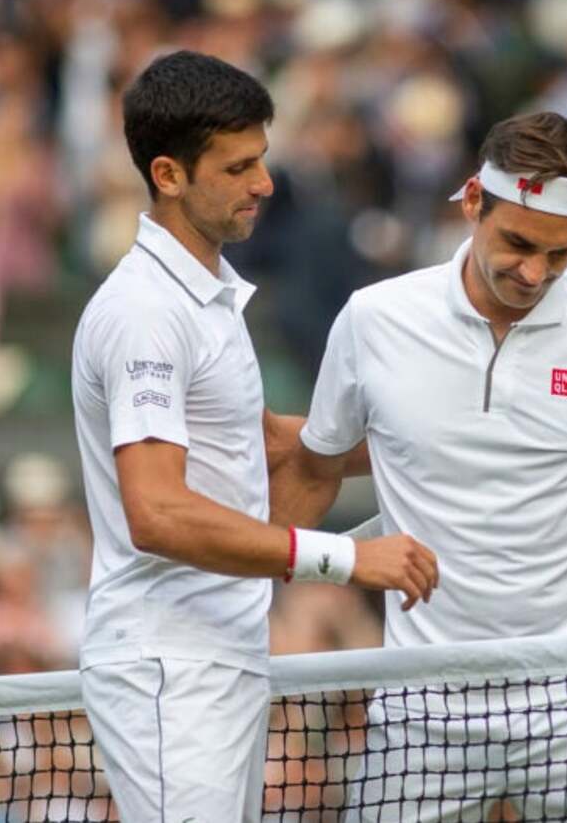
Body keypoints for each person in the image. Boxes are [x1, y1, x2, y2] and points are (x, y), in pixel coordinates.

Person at [273, 111, 567, 819]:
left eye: (561, 252)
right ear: (474, 201)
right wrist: (242, 591)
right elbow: (313, 470)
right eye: (518, 243)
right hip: (422, 705)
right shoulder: (373, 319)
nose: (535, 272)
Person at [69, 50, 439, 822]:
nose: (264, 184)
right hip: (170, 668)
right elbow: (156, 513)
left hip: (218, 655)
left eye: (261, 160)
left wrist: (441, 440)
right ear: (168, 175)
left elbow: (270, 443)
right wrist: (347, 559)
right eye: (238, 168)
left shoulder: (203, 295)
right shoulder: (146, 314)